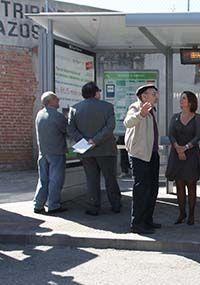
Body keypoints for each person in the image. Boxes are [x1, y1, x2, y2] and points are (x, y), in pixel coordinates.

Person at [68, 82, 122, 216]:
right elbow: (110, 127)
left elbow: (71, 129)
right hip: (106, 150)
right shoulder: (107, 107)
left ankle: (93, 206)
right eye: (99, 91)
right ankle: (115, 204)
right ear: (96, 93)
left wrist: (85, 141)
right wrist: (95, 140)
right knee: (110, 178)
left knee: (91, 179)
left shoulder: (74, 109)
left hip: (86, 150)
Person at [124, 84, 161, 234]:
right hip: (139, 155)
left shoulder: (152, 110)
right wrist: (140, 114)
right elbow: (128, 122)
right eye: (153, 94)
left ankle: (147, 220)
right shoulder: (136, 107)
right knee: (141, 190)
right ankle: (137, 223)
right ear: (144, 96)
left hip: (151, 154)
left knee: (152, 188)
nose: (156, 96)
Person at [165, 91, 200, 225]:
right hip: (177, 155)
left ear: (191, 102)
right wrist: (177, 148)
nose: (181, 101)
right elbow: (171, 134)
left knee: (191, 185)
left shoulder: (197, 117)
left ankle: (191, 215)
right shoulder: (175, 117)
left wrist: (185, 147)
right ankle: (181, 213)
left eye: (184, 98)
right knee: (179, 185)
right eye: (181, 98)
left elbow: (198, 135)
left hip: (191, 155)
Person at [33, 91, 68, 214]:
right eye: (56, 99)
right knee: (55, 180)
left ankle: (38, 205)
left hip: (43, 152)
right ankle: (53, 205)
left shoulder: (39, 114)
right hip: (56, 152)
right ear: (51, 101)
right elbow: (67, 130)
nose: (58, 101)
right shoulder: (58, 116)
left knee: (43, 179)